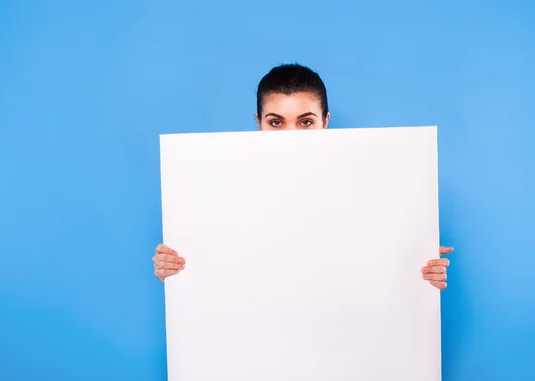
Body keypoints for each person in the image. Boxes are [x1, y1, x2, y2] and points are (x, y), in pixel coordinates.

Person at [152, 63, 453, 290]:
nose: (291, 136)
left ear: (326, 121)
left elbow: (369, 265)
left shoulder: (370, 191)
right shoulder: (220, 192)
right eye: (276, 122)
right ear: (258, 122)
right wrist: (175, 266)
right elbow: (222, 265)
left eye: (306, 122)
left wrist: (417, 264)